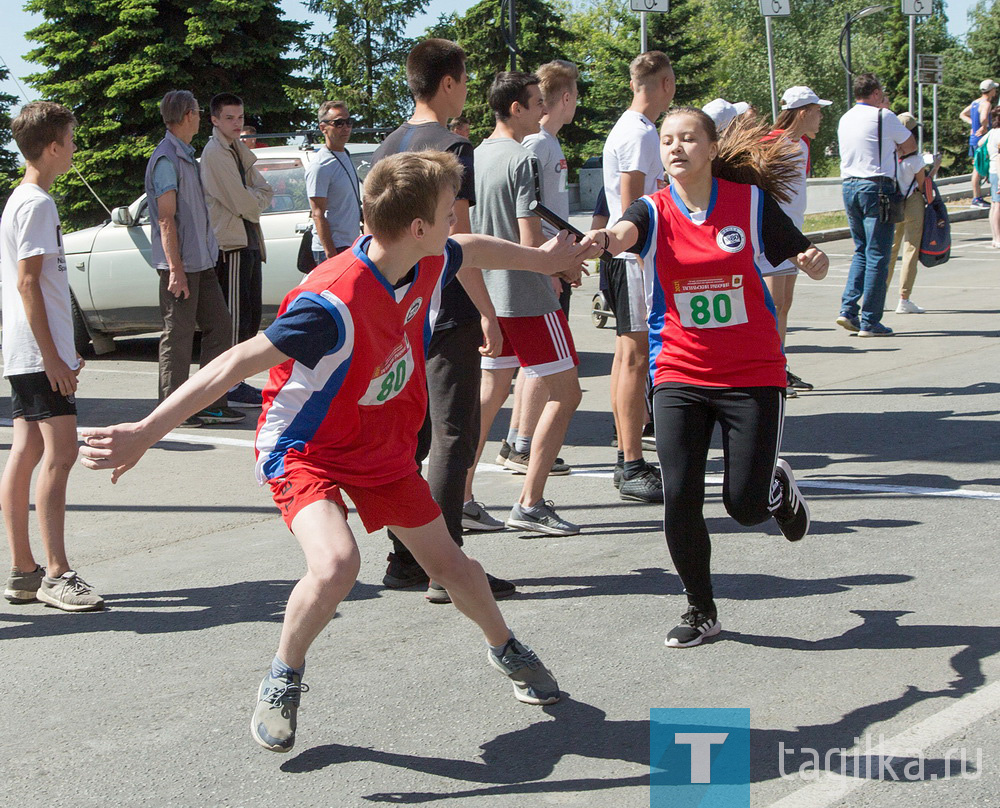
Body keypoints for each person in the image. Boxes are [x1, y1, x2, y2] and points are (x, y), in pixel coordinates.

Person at [80, 150, 597, 753]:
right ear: (418, 227)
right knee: (336, 564)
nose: (453, 223)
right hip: (307, 446)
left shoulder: (427, 257)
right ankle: (284, 675)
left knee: (452, 565)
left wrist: (545, 259)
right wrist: (145, 431)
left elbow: (475, 247)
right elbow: (231, 363)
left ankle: (506, 649)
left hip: (378, 445)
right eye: (444, 213)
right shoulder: (333, 302)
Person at [586, 109, 828, 648]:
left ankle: (772, 484)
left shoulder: (749, 203)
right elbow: (625, 231)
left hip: (751, 373)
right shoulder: (652, 209)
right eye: (668, 140)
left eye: (688, 138)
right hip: (679, 370)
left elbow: (800, 249)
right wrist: (603, 240)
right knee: (681, 495)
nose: (676, 148)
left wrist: (812, 260)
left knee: (743, 506)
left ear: (712, 147)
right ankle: (701, 609)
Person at [371, 38, 515, 602]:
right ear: (449, 83)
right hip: (444, 307)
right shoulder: (455, 148)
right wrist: (488, 311)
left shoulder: (388, 144)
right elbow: (460, 243)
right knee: (455, 431)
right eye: (464, 80)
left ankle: (405, 557)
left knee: (414, 431)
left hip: (396, 306)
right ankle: (444, 564)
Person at [464, 71, 583, 537]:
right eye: (536, 103)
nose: (542, 111)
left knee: (489, 396)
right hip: (526, 296)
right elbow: (532, 240)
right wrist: (563, 267)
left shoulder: (477, 155)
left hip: (489, 295)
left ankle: (462, 494)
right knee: (566, 393)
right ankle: (530, 503)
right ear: (517, 107)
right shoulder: (523, 158)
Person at [0, 101, 104, 611]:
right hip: (39, 355)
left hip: (27, 351)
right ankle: (56, 574)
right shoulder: (38, 204)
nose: (75, 146)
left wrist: (56, 351)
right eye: (71, 137)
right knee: (60, 455)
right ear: (54, 145)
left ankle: (23, 570)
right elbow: (28, 283)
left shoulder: (20, 200)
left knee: (26, 452)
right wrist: (55, 358)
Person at [145, 90, 243, 428]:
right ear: (187, 115)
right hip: (181, 267)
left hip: (201, 262)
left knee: (221, 326)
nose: (201, 117)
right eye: (199, 112)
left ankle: (211, 401)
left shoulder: (185, 156)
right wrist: (176, 269)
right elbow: (165, 218)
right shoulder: (165, 159)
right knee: (179, 334)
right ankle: (172, 409)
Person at [602, 51, 674, 504]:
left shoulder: (635, 129)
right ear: (664, 84)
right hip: (632, 259)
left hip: (628, 257)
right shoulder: (641, 134)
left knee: (626, 358)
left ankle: (627, 452)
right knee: (633, 358)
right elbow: (633, 206)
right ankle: (631, 461)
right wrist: (644, 257)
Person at [200, 92, 274, 408]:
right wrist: (252, 202)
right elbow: (245, 203)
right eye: (229, 117)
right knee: (234, 319)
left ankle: (237, 380)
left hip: (249, 241)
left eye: (240, 117)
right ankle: (227, 385)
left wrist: (252, 202)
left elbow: (265, 191)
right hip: (230, 245)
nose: (236, 123)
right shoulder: (215, 153)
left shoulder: (237, 149)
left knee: (250, 317)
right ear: (215, 119)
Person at [762, 86, 831, 395]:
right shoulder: (770, 144)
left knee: (784, 303)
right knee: (773, 305)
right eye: (817, 112)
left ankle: (780, 368)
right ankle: (768, 372)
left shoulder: (801, 144)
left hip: (793, 232)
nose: (820, 118)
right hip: (773, 233)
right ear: (803, 113)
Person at [835, 74, 916, 338]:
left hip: (849, 185)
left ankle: (848, 309)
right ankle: (870, 320)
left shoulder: (845, 118)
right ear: (877, 93)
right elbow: (910, 144)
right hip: (877, 186)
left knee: (861, 250)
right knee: (878, 254)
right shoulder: (884, 116)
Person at [306, 100, 362, 263]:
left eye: (348, 122)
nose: (345, 128)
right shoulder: (320, 165)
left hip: (351, 245)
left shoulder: (345, 154)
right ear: (323, 128)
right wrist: (331, 256)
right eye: (338, 123)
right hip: (332, 250)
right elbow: (317, 214)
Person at [886, 112, 930, 314]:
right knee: (910, 249)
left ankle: (879, 294)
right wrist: (934, 167)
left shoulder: (889, 154)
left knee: (890, 251)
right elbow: (922, 185)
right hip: (912, 201)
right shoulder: (915, 158)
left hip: (893, 201)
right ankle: (904, 298)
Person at [959, 79, 996, 208]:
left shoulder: (975, 102)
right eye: (994, 89)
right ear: (991, 91)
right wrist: (983, 126)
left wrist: (973, 125)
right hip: (983, 139)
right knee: (979, 169)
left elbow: (962, 114)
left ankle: (977, 197)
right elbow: (984, 118)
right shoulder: (986, 103)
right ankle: (977, 198)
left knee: (977, 167)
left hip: (974, 139)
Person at [982, 108, 1000, 249]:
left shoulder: (992, 132)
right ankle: (998, 238)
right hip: (999, 171)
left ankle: (995, 237)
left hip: (992, 170)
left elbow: (980, 142)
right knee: (998, 205)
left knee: (994, 204)